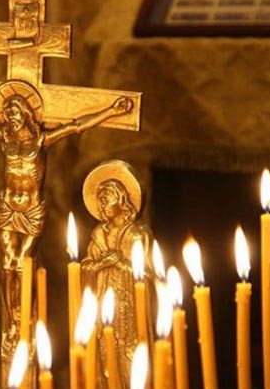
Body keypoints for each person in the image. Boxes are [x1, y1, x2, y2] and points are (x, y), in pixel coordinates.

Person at [0, 79, 133, 355]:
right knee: (8, 264)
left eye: (15, 112)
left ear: (27, 113)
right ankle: (13, 320)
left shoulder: (42, 140)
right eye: (7, 113)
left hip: (31, 210)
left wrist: (112, 110)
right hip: (8, 207)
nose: (11, 117)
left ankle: (25, 317)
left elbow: (77, 125)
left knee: (24, 263)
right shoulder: (5, 138)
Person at [81, 162, 153, 389]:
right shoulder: (98, 236)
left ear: (121, 200)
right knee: (104, 357)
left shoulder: (136, 235)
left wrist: (121, 263)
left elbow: (148, 276)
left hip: (129, 311)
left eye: (106, 199)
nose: (102, 205)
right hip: (103, 305)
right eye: (99, 200)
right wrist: (99, 265)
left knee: (130, 358)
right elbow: (85, 267)